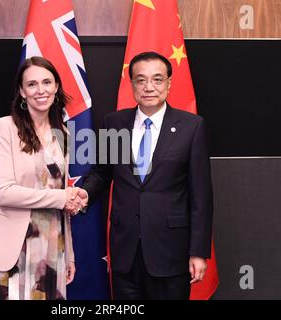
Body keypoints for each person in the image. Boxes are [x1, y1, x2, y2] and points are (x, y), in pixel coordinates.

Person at [75, 51, 213, 299]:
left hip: (171, 252)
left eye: (157, 79)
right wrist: (84, 193)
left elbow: (201, 196)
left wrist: (198, 252)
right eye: (141, 80)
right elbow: (103, 172)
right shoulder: (113, 123)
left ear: (169, 84)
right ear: (132, 85)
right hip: (125, 253)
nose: (149, 87)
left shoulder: (192, 127)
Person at [0, 56, 84, 300]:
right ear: (22, 92)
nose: (40, 90)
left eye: (47, 82)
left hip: (51, 250)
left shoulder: (63, 134)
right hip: (9, 248)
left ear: (56, 87)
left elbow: (62, 197)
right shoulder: (3, 128)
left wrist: (69, 254)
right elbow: (4, 192)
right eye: (32, 84)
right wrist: (61, 196)